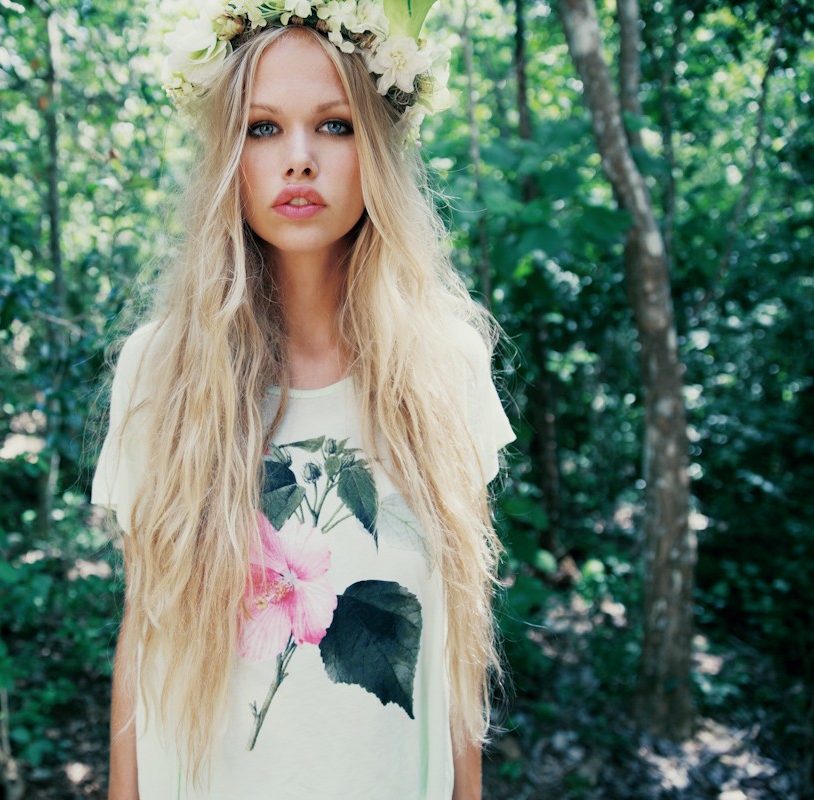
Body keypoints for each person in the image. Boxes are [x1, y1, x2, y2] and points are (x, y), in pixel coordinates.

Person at [92, 3, 514, 798]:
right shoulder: (161, 370)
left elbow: (458, 639)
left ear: (376, 149)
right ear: (229, 154)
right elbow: (141, 633)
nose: (298, 160)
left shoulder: (446, 367)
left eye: (334, 125)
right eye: (262, 128)